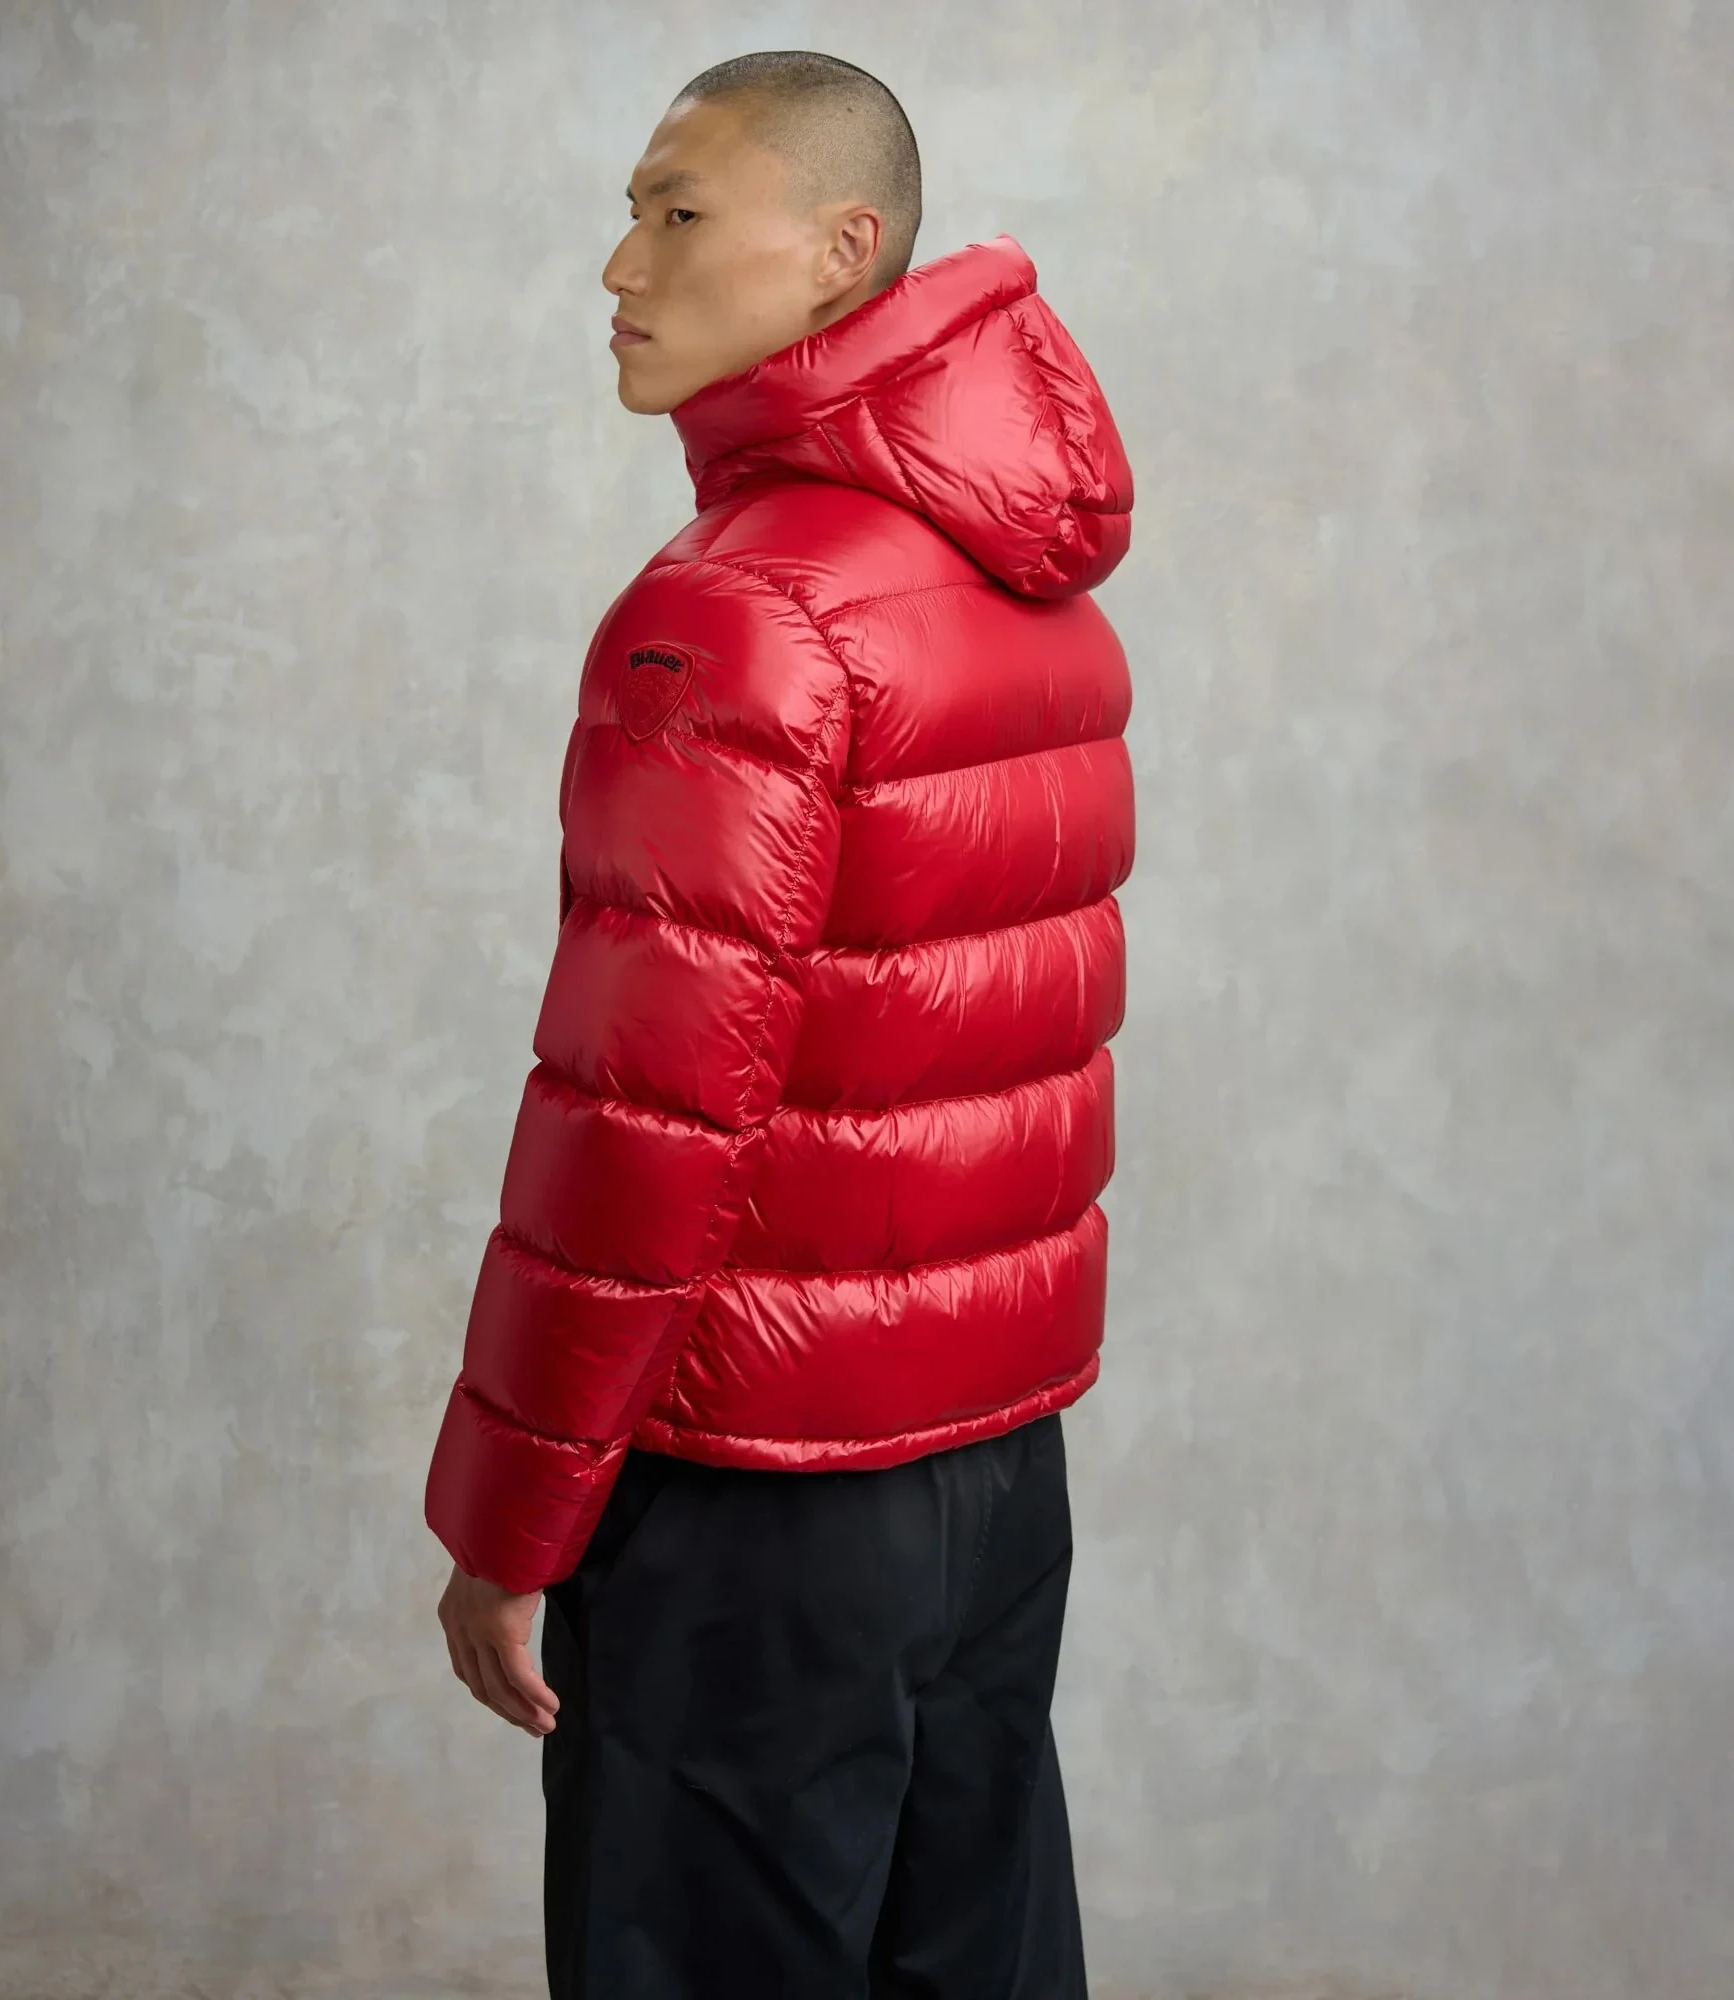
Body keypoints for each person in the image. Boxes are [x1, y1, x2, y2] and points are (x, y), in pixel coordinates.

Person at [423, 48, 1134, 2000]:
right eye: (627, 215)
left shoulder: (739, 615)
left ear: (841, 251)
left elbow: (642, 1124)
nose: (618, 267)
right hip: (992, 1471)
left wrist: (510, 1518)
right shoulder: (1026, 587)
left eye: (676, 214)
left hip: (756, 1491)